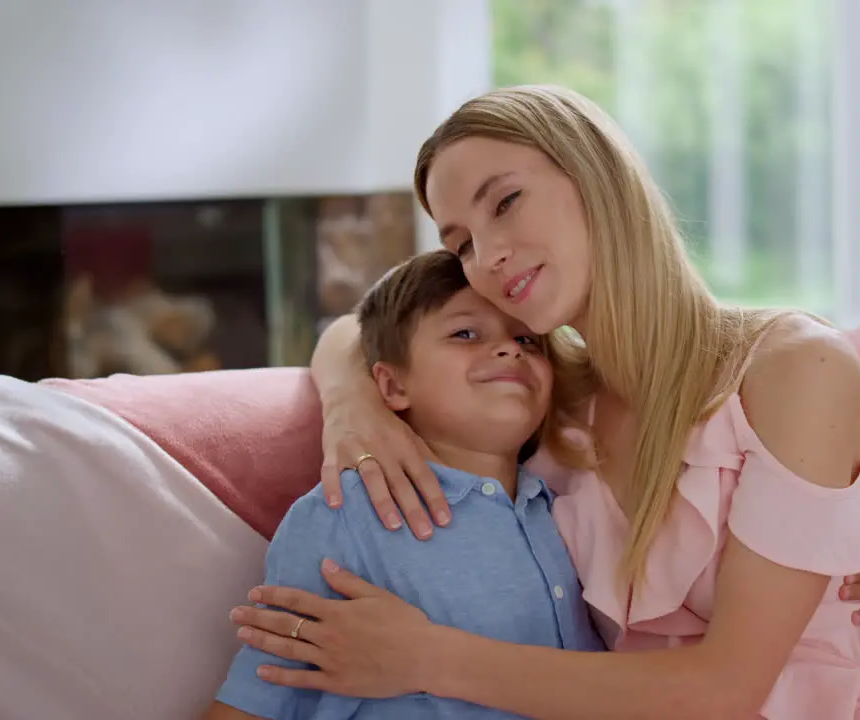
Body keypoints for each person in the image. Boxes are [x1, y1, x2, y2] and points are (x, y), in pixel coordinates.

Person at [229, 84, 860, 718]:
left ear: (598, 178)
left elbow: (725, 691)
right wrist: (352, 401)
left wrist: (423, 658)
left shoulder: (792, 369)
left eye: (504, 202)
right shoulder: (553, 405)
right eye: (462, 243)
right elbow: (360, 328)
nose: (489, 256)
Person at [205, 250, 604, 719]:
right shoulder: (345, 513)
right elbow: (262, 693)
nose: (510, 348)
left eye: (527, 339)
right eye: (465, 333)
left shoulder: (565, 507)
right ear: (392, 388)